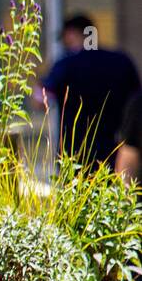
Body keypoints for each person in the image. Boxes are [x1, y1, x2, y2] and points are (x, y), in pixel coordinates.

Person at [36, 14, 141, 167]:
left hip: (74, 156)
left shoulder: (66, 64)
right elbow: (137, 101)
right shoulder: (121, 61)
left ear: (71, 34)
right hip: (115, 153)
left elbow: (40, 100)